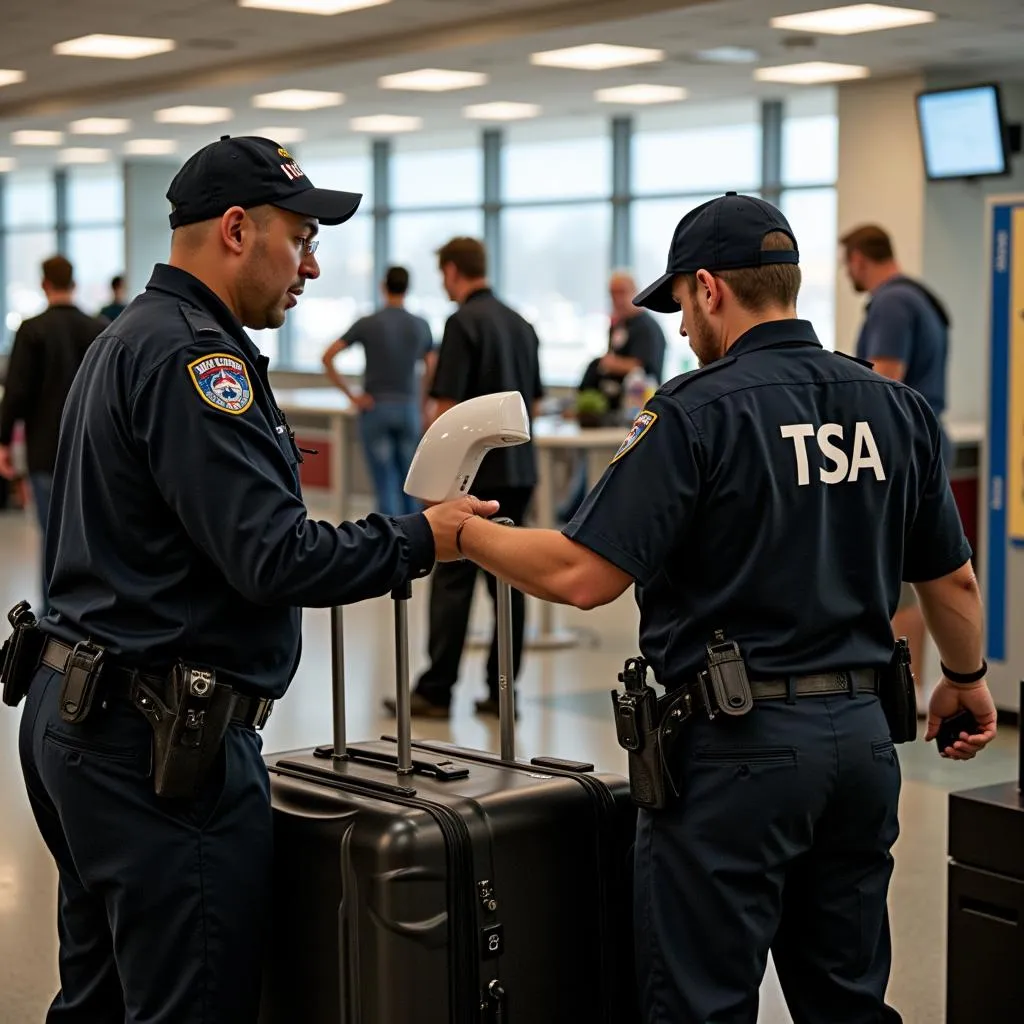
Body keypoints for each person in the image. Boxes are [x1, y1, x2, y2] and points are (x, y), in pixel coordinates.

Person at [454, 193, 997, 1023]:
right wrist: (964, 679)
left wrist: (463, 536)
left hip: (734, 752)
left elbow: (582, 575)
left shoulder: (694, 410)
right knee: (848, 998)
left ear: (709, 288)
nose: (679, 329)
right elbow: (951, 581)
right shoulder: (898, 409)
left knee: (699, 1000)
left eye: (680, 306)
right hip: (860, 746)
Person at [13, 135, 496, 1023]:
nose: (310, 267)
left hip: (82, 713)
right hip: (156, 747)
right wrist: (422, 540)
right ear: (237, 229)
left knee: (99, 1001)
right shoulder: (202, 361)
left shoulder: (132, 338)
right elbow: (273, 556)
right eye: (302, 239)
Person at [386, 236, 544, 719]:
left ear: (453, 271)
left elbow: (444, 406)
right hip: (519, 470)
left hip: (471, 475)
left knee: (452, 579)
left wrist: (436, 482)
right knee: (510, 582)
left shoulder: (461, 323)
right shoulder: (522, 324)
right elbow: (531, 404)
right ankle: (502, 694)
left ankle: (436, 691)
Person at [842, 224, 953, 702]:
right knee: (916, 567)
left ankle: (900, 692)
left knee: (901, 577)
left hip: (897, 448)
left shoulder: (890, 304)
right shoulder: (920, 298)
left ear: (860, 260)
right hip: (922, 442)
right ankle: (911, 687)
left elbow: (883, 382)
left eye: (848, 262)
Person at [0, 255, 105, 615]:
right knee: (90, 535)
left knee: (53, 537)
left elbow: (16, 392)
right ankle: (90, 612)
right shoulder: (98, 328)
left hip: (45, 451)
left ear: (45, 284)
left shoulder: (32, 330)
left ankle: (54, 616)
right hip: (92, 451)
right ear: (72, 283)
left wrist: (2, 443)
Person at [321, 265, 434, 517]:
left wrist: (352, 395)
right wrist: (423, 403)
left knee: (385, 485)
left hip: (375, 408)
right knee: (411, 484)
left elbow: (328, 356)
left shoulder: (368, 323)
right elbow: (431, 366)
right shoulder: (420, 325)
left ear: (384, 286)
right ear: (407, 287)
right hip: (408, 410)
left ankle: (392, 547)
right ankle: (417, 546)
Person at [559, 270, 667, 520]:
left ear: (635, 292)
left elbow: (642, 367)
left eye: (621, 292)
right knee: (594, 465)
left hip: (637, 413)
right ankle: (578, 512)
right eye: (612, 293)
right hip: (609, 413)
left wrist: (609, 363)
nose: (616, 299)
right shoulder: (618, 326)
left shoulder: (647, 328)